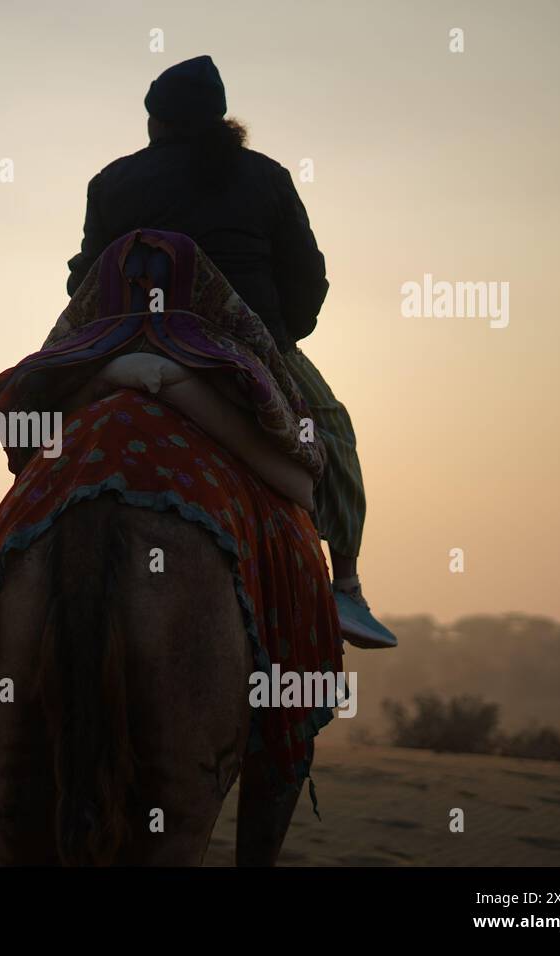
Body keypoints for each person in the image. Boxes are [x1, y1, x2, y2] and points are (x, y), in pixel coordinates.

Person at [65, 54, 395, 649]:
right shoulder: (265, 176)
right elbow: (308, 280)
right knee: (332, 431)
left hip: (127, 339)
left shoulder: (111, 181)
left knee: (47, 420)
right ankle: (344, 585)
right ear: (219, 118)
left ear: (155, 122)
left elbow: (86, 278)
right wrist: (277, 339)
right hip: (243, 347)